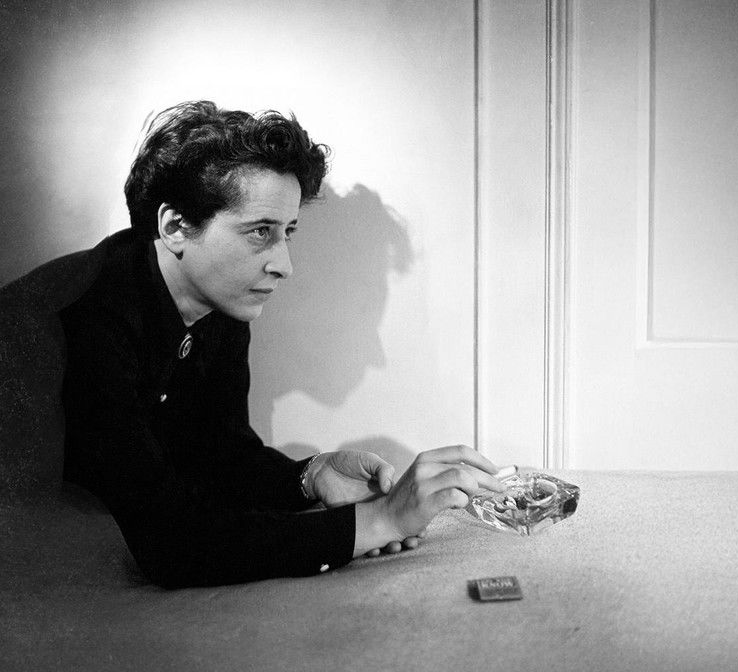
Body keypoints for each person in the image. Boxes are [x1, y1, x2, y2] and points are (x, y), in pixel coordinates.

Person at [55, 101, 506, 588]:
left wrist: (310, 476)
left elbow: (222, 457)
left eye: (287, 232)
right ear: (175, 226)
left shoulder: (219, 305)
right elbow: (171, 544)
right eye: (260, 232)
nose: (284, 265)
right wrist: (380, 522)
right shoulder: (92, 313)